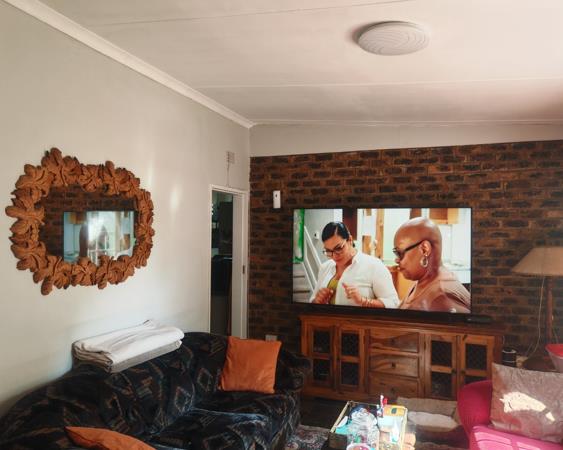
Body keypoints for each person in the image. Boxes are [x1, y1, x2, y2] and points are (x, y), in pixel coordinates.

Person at [310, 222, 399, 308]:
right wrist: (317, 301)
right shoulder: (325, 267)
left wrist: (363, 301)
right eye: (329, 251)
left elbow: (393, 303)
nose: (334, 256)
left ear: (350, 240)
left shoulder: (374, 266)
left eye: (339, 248)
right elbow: (312, 302)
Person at [393, 217, 470, 313]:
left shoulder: (442, 298)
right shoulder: (423, 282)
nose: (396, 259)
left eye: (399, 253)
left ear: (424, 249)